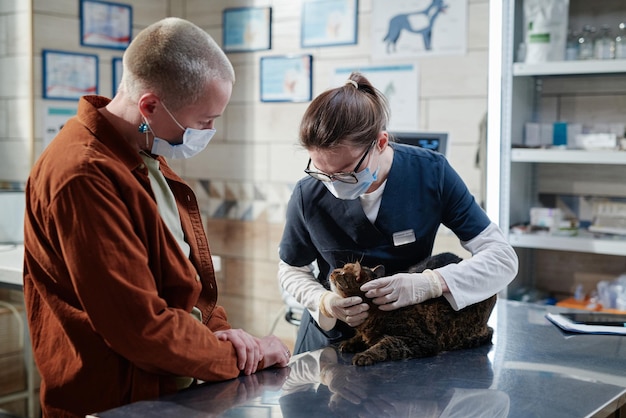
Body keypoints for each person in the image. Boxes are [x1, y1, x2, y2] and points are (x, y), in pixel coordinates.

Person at [23, 17, 290, 418]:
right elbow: (140, 328)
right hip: (117, 398)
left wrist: (225, 334)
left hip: (168, 387)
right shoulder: (82, 174)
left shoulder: (144, 153)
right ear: (149, 106)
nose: (209, 131)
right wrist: (241, 358)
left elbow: (186, 279)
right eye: (204, 122)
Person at [278, 72, 518, 354]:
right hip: (329, 341)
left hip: (406, 342)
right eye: (322, 172)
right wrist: (323, 301)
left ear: (380, 142)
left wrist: (430, 284)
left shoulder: (431, 174)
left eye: (345, 173)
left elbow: (502, 259)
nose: (332, 185)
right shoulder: (308, 192)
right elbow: (292, 269)